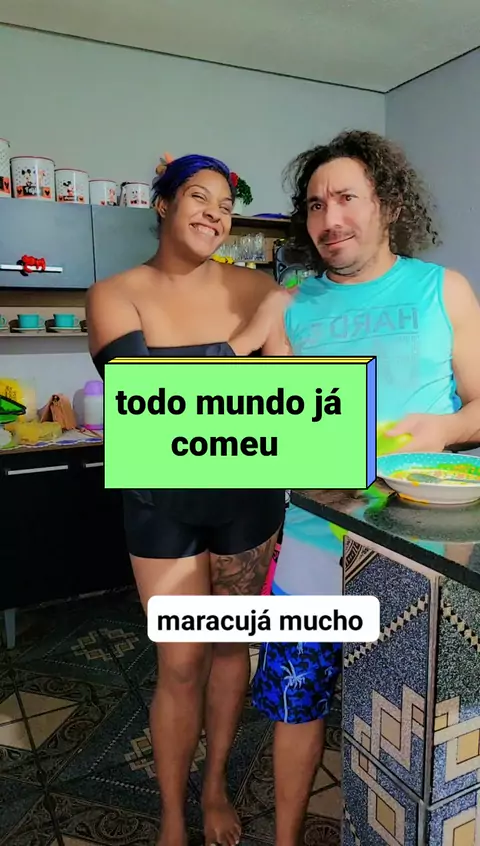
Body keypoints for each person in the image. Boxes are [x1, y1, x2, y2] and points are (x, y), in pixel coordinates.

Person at [251, 129, 480, 846]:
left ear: (388, 204)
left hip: (420, 553)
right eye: (316, 205)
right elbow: (271, 423)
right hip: (313, 544)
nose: (331, 218)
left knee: (412, 720)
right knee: (296, 703)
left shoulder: (443, 288)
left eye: (347, 197)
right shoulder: (292, 306)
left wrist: (445, 428)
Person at [86, 153, 290, 846]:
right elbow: (151, 406)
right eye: (199, 197)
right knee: (178, 662)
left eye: (226, 205)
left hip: (248, 498)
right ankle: (172, 814)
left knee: (232, 651)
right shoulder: (115, 293)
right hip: (161, 501)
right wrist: (246, 341)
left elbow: (285, 396)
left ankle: (214, 786)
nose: (214, 213)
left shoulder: (258, 286)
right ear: (164, 205)